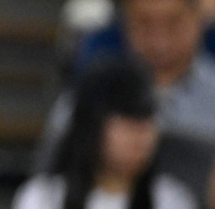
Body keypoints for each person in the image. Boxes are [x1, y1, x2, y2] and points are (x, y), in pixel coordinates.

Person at [40, 0, 215, 172]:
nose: (159, 42)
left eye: (173, 23)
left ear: (198, 15)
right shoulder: (89, 96)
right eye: (144, 24)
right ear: (124, 23)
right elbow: (50, 173)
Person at [16, 59, 196, 209]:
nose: (140, 135)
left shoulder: (171, 200)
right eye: (128, 123)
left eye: (147, 122)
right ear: (93, 127)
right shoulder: (43, 198)